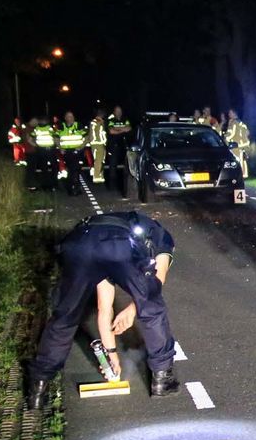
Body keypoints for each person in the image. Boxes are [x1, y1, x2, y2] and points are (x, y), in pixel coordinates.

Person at [26, 211, 180, 409]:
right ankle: (162, 379)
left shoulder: (123, 234)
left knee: (65, 316)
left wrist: (111, 355)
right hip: (118, 243)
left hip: (78, 243)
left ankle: (38, 389)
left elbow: (104, 307)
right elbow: (157, 283)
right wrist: (133, 309)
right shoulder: (162, 237)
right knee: (152, 309)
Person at [57, 111, 87, 195]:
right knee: (71, 170)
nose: (70, 118)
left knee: (76, 169)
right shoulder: (61, 126)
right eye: (68, 117)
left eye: (72, 116)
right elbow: (56, 138)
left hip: (77, 151)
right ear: (65, 118)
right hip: (66, 152)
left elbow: (87, 136)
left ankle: (75, 187)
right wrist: (60, 148)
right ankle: (73, 187)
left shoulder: (78, 125)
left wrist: (81, 146)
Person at [105, 105, 133, 199]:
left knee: (127, 167)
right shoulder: (111, 121)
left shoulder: (125, 119)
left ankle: (124, 186)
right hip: (114, 146)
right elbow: (111, 131)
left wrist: (118, 130)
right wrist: (122, 129)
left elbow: (129, 128)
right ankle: (111, 186)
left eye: (120, 111)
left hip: (124, 146)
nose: (118, 112)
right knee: (113, 166)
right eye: (117, 111)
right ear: (114, 112)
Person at [28, 117, 58, 191]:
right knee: (54, 167)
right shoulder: (50, 128)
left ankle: (46, 185)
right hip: (50, 150)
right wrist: (57, 145)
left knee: (44, 168)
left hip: (41, 151)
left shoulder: (37, 129)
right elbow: (56, 138)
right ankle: (52, 185)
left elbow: (29, 139)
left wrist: (36, 145)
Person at [222, 109, 251, 177]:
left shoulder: (233, 122)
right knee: (242, 160)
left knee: (235, 161)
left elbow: (231, 133)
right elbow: (248, 132)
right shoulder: (241, 122)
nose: (229, 114)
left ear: (234, 113)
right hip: (243, 144)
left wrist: (224, 138)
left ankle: (237, 175)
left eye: (230, 113)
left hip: (235, 145)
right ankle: (243, 174)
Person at [88, 109, 108, 183]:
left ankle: (100, 175)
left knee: (101, 160)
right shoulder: (95, 122)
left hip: (101, 143)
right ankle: (97, 177)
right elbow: (92, 133)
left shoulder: (101, 122)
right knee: (98, 160)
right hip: (97, 143)